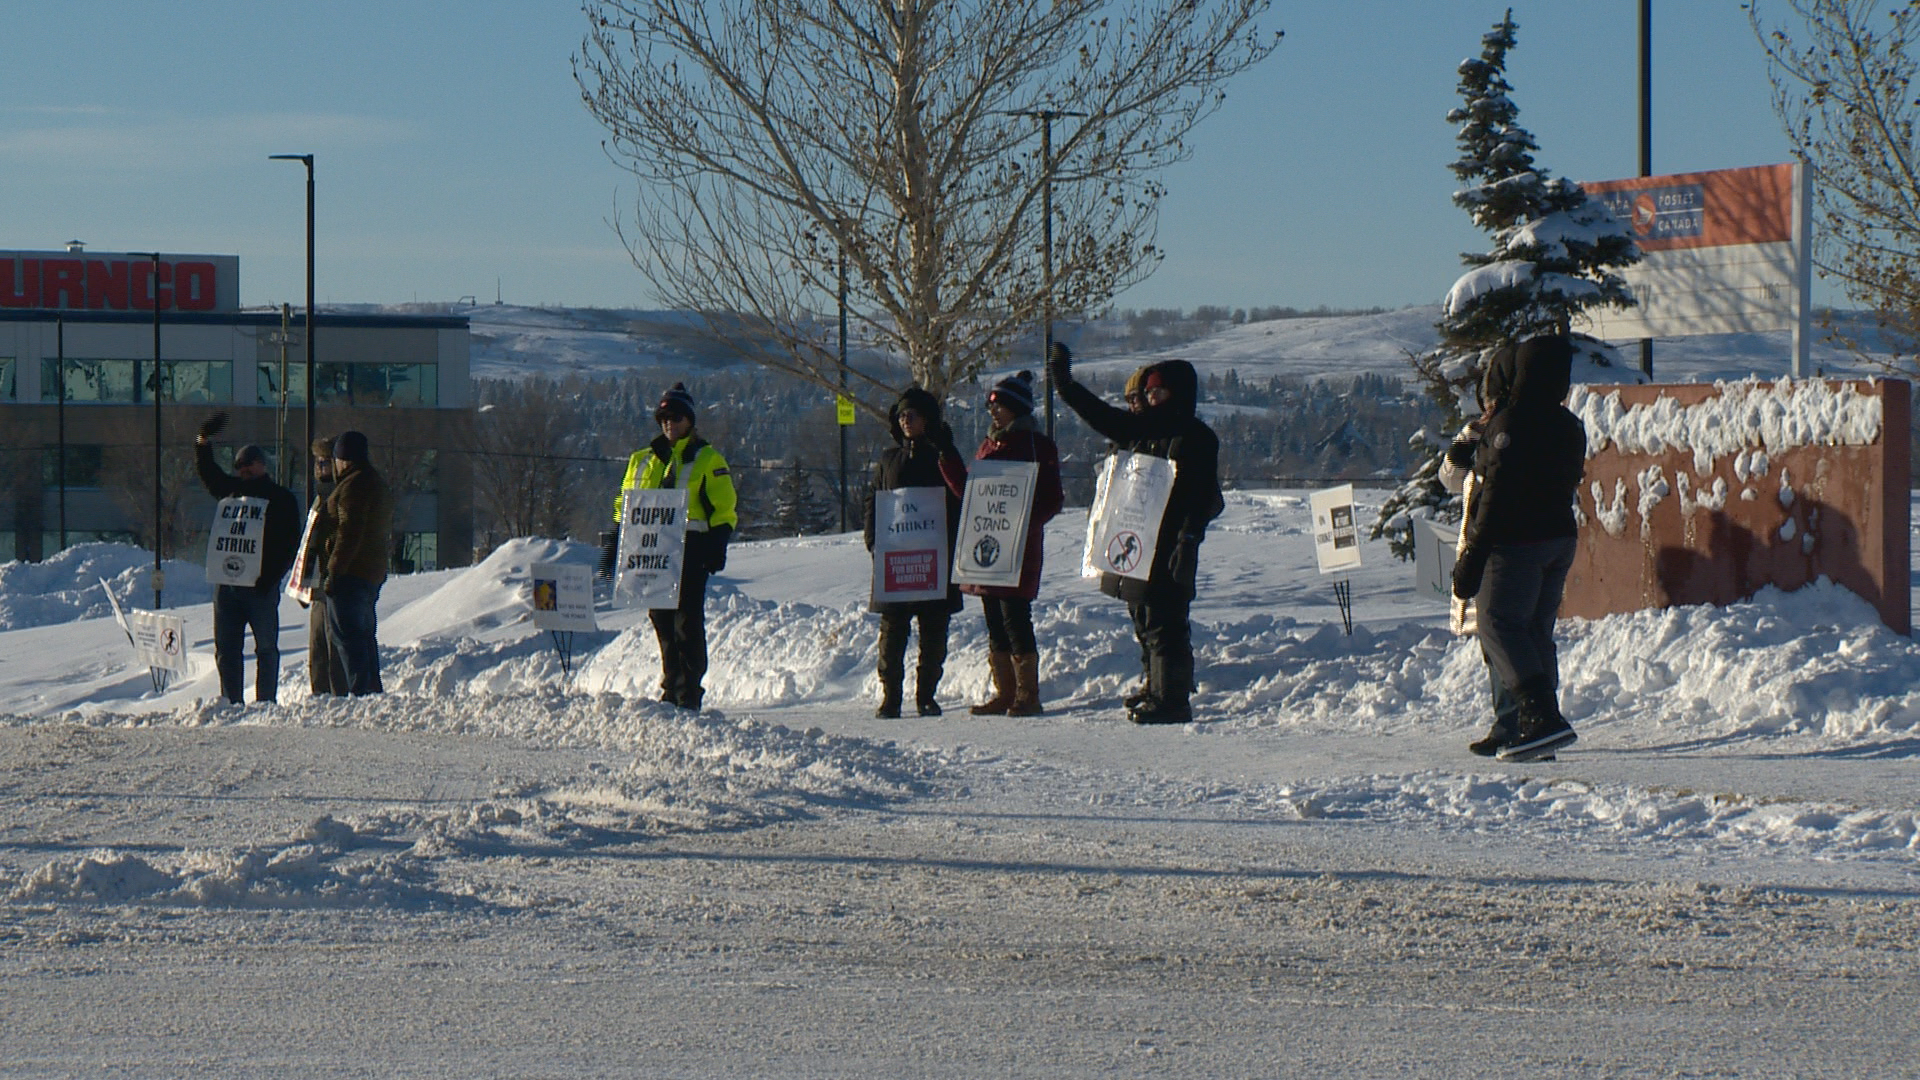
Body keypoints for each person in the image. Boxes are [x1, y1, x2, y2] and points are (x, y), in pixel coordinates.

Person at [1048, 345, 1223, 725]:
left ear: (1176, 392)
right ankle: (1155, 685)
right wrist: (1068, 388)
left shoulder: (1193, 436)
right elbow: (1109, 421)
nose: (1149, 399)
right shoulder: (1146, 432)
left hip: (1172, 540)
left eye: (1157, 392)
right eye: (1147, 393)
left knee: (1166, 620)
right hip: (1137, 538)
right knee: (1142, 615)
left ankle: (1172, 699)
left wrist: (1188, 538)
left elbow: (1204, 496)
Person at [1451, 334, 1586, 762]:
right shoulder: (1567, 424)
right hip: (1559, 537)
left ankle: (1539, 716)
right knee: (1533, 631)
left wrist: (1473, 554)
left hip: (1516, 542)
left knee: (1498, 624)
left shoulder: (1510, 425)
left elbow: (1494, 495)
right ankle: (1533, 724)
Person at [614, 383, 739, 710]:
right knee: (662, 621)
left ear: (690, 421)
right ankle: (671, 686)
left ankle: (689, 691)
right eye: (664, 418)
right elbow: (625, 505)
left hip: (691, 549)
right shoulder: (641, 460)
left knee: (687, 622)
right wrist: (617, 536)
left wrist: (718, 542)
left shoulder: (707, 459)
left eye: (678, 417)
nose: (670, 423)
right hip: (650, 553)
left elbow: (725, 507)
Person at [955, 371, 1063, 717]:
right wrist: (946, 459)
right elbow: (970, 492)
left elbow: (1052, 499)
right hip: (988, 546)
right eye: (991, 408)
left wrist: (1023, 525)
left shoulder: (1037, 446)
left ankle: (1027, 694)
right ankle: (1006, 691)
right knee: (994, 620)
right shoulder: (988, 445)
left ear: (1016, 408)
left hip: (1019, 547)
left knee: (1015, 617)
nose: (993, 414)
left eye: (999, 407)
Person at [1438, 345, 1525, 756]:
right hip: (1490, 546)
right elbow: (1450, 479)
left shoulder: (1510, 432)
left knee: (1501, 642)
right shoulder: (1482, 434)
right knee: (1504, 643)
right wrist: (1465, 440)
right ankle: (1519, 719)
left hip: (1499, 549)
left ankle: (1514, 722)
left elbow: (1457, 483)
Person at [863, 386, 966, 718]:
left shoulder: (944, 455)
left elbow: (960, 494)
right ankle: (890, 697)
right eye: (902, 415)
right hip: (896, 561)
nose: (907, 420)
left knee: (934, 634)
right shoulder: (888, 458)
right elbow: (874, 500)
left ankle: (926, 696)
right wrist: (873, 540)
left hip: (934, 560)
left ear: (927, 420)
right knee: (892, 634)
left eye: (913, 415)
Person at [194, 412, 300, 705]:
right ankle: (231, 702)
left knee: (266, 648)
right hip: (228, 587)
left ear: (262, 465)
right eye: (238, 465)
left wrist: (271, 577)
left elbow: (291, 541)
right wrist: (202, 441)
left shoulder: (281, 498)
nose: (243, 470)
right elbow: (208, 473)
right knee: (226, 649)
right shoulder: (232, 492)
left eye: (248, 464)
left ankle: (265, 702)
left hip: (260, 587)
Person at [323, 430, 395, 696]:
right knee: (365, 636)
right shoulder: (375, 481)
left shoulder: (353, 485)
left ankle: (359, 691)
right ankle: (370, 689)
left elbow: (348, 531)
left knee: (347, 637)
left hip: (351, 572)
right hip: (372, 571)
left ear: (343, 459)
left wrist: (334, 571)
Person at [299, 435, 348, 696]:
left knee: (333, 644)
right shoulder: (319, 498)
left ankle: (337, 696)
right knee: (317, 646)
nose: (321, 469)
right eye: (318, 463)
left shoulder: (341, 495)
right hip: (317, 584)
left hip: (336, 580)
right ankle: (319, 694)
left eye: (326, 463)